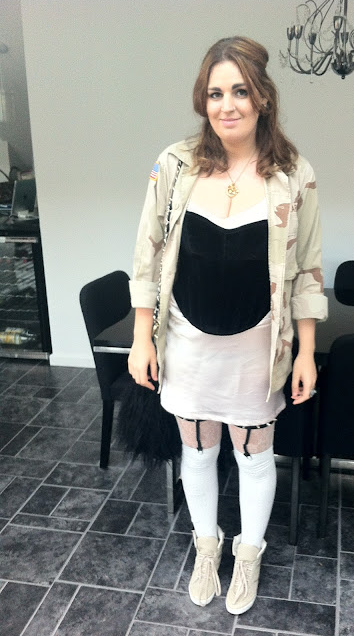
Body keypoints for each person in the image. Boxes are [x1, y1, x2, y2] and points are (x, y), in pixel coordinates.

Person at [128, 36, 328, 615]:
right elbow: (147, 255)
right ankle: (207, 546)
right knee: (197, 453)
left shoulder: (294, 174)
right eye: (215, 93)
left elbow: (307, 271)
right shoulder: (174, 165)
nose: (227, 105)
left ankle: (249, 553)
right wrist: (141, 338)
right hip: (186, 341)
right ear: (203, 100)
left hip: (259, 347)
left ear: (263, 96)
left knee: (255, 456)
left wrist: (306, 351)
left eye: (240, 91)